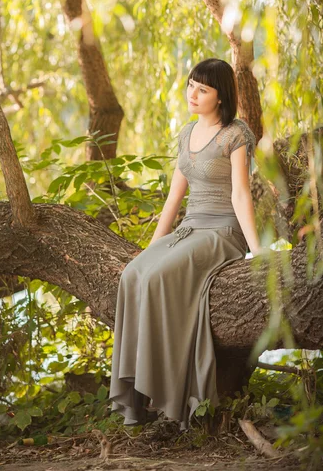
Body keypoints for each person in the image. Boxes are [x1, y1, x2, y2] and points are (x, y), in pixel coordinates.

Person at [109, 58, 264, 431]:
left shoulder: (235, 134)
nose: (192, 94)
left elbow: (241, 196)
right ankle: (135, 397)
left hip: (222, 233)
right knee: (134, 274)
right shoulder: (186, 133)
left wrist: (258, 252)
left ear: (221, 97)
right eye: (191, 85)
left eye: (202, 89)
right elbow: (174, 198)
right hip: (189, 228)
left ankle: (165, 392)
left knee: (158, 279)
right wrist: (151, 246)